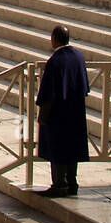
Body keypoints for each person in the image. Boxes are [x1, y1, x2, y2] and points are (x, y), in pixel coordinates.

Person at [36, 24, 90, 198]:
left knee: (58, 148)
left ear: (54, 39)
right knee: (72, 148)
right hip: (76, 111)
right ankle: (72, 182)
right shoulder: (79, 57)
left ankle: (59, 183)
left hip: (59, 113)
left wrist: (43, 115)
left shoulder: (55, 61)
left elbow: (49, 93)